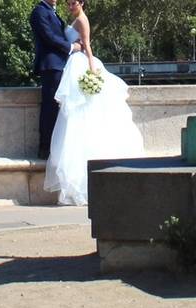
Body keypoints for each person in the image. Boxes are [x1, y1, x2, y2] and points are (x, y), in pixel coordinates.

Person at [43, 0, 144, 206]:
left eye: (73, 3)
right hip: (73, 65)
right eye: (69, 3)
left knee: (82, 114)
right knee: (75, 115)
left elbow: (87, 45)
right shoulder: (73, 19)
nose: (70, 6)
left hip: (81, 65)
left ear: (82, 3)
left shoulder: (82, 20)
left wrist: (92, 71)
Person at [30, 0, 83, 160]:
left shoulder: (51, 11)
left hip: (60, 65)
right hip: (51, 66)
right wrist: (72, 47)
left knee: (58, 107)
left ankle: (56, 147)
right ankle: (45, 148)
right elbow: (49, 37)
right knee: (51, 106)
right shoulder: (39, 11)